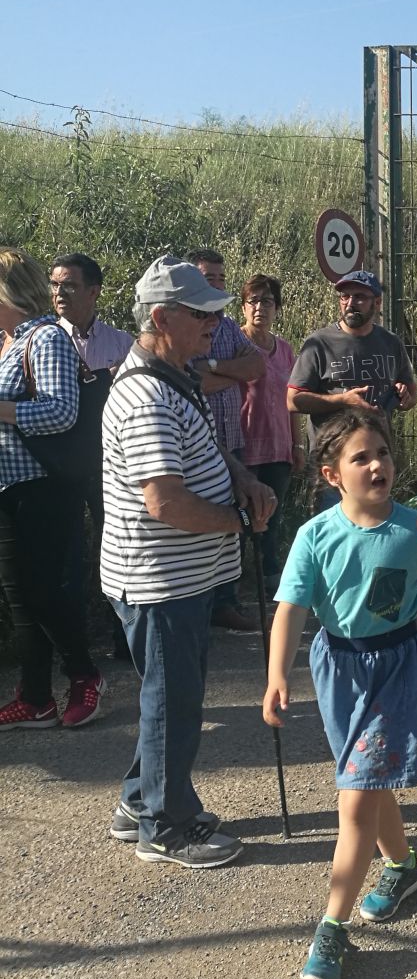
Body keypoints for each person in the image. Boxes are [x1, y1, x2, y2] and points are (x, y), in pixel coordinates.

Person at [264, 407, 417, 979]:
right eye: (361, 457)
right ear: (332, 474)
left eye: (382, 452)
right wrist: (277, 674)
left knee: (356, 796)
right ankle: (402, 866)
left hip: (397, 669)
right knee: (368, 780)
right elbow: (291, 610)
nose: (377, 464)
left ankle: (333, 924)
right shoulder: (314, 535)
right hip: (338, 669)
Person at [102, 255, 274, 867]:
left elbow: (203, 452)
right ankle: (167, 826)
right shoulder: (148, 394)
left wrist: (242, 479)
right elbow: (166, 500)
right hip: (160, 579)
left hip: (177, 577)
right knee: (173, 701)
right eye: (200, 314)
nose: (214, 324)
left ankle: (138, 801)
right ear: (160, 318)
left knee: (167, 693)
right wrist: (238, 520)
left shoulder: (176, 374)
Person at [0, 248, 105, 730]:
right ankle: (36, 697)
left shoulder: (46, 340)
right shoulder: (4, 343)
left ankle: (85, 675)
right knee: (20, 596)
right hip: (8, 487)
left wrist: (4, 410)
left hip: (42, 486)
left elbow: (62, 411)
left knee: (42, 593)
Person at [51, 252, 133, 661]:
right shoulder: (44, 341)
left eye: (69, 285)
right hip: (62, 466)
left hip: (110, 465)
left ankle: (123, 639)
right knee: (68, 556)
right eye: (54, 285)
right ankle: (76, 650)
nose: (59, 293)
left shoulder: (121, 343)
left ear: (94, 291)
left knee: (117, 546)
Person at [188, 249, 266, 633]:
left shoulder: (230, 327)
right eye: (208, 278)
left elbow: (256, 366)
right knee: (200, 518)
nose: (216, 284)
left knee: (233, 518)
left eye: (220, 278)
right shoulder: (185, 328)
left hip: (230, 441)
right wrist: (232, 376)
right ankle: (200, 603)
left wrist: (218, 369)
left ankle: (227, 601)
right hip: (196, 446)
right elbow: (190, 382)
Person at [288, 271, 417, 456]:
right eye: (345, 296)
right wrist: (343, 401)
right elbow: (293, 401)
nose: (350, 304)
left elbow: (412, 394)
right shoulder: (319, 343)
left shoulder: (391, 343)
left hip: (377, 456)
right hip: (331, 458)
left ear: (377, 302)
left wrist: (404, 397)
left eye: (359, 297)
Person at [239, 273, 304, 581]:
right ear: (243, 308)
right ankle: (235, 575)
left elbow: (293, 400)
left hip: (278, 447)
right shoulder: (234, 344)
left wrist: (298, 444)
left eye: (267, 301)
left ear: (277, 308)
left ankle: (267, 574)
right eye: (253, 301)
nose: (259, 308)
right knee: (240, 514)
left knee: (273, 514)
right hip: (243, 446)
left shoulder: (286, 351)